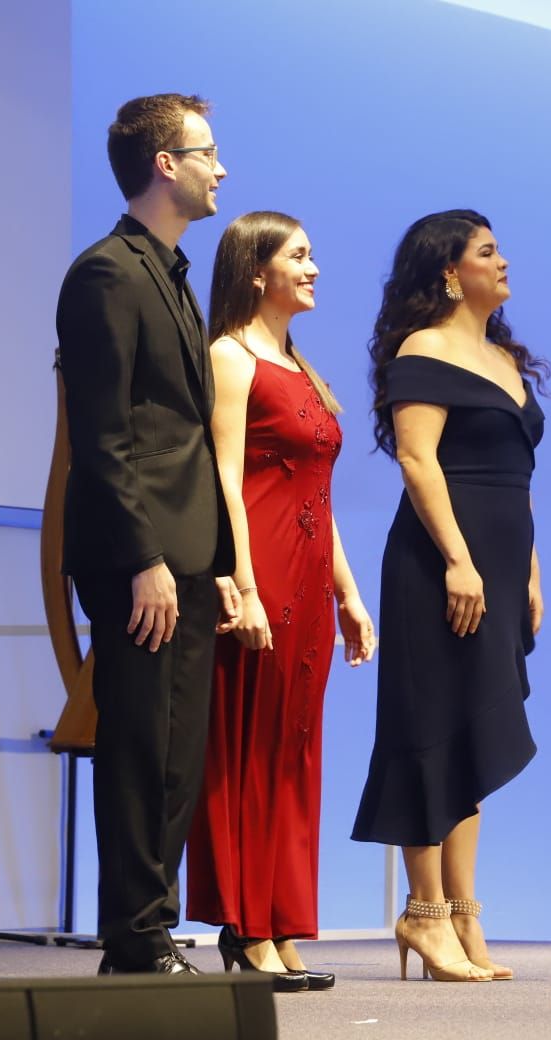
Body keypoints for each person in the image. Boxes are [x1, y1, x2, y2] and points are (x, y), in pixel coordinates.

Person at [55, 93, 241, 975]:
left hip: (191, 549)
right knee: (136, 744)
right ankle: (131, 931)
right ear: (164, 164)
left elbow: (188, 430)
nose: (221, 168)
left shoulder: (168, 270)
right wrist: (144, 560)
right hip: (142, 555)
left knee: (177, 746)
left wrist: (223, 562)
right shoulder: (106, 274)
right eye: (208, 152)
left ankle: (152, 924)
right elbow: (103, 438)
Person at [350, 210, 548, 983]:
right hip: (439, 563)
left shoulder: (503, 357)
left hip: (498, 566)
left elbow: (521, 481)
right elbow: (416, 459)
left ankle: (465, 912)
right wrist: (460, 562)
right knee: (429, 727)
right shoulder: (423, 348)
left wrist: (527, 572)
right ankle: (423, 912)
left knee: (473, 731)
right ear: (447, 271)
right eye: (487, 252)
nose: (503, 262)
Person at [186, 212, 376, 992]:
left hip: (307, 574)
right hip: (259, 570)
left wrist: (349, 594)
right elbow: (224, 478)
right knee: (247, 749)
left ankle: (283, 920)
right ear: (257, 271)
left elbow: (319, 496)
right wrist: (244, 583)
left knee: (294, 749)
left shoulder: (299, 365)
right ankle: (246, 926)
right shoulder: (230, 357)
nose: (315, 268)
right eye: (300, 256)